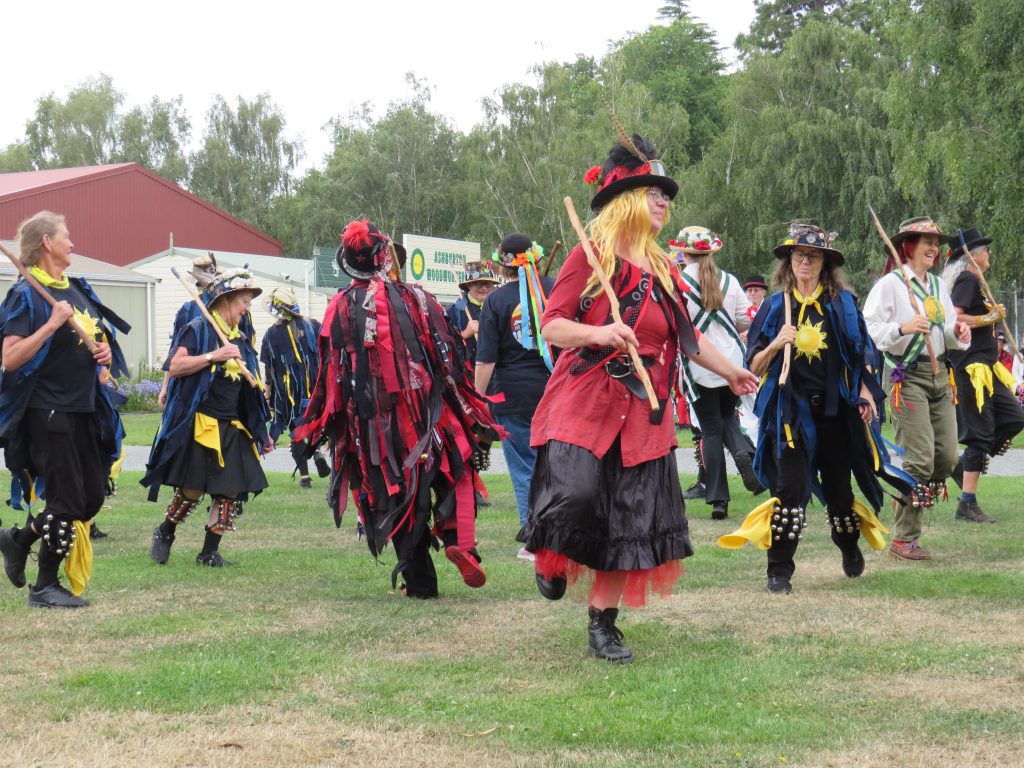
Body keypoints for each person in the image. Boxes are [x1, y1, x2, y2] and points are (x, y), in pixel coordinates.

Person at [518, 134, 758, 663]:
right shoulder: (590, 256)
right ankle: (549, 555)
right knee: (576, 495)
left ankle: (603, 625)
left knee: (628, 520)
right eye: (653, 192)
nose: (664, 202)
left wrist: (734, 370)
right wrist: (600, 334)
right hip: (586, 397)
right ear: (625, 198)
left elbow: (689, 341)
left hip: (646, 411)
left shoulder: (668, 270)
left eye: (667, 196)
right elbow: (553, 326)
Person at [295, 220, 501, 599]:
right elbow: (447, 355)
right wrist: (459, 399)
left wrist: (329, 418)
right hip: (426, 406)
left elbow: (330, 371)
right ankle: (460, 540)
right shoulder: (417, 297)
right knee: (451, 465)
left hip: (373, 418)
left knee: (393, 491)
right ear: (383, 258)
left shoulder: (338, 306)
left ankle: (421, 584)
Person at [721, 222, 914, 593]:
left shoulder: (841, 304)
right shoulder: (776, 307)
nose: (805, 261)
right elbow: (754, 367)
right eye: (798, 255)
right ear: (789, 262)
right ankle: (779, 570)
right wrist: (777, 343)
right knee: (789, 491)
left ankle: (848, 546)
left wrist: (866, 394)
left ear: (825, 263)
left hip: (836, 414)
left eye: (813, 256)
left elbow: (862, 356)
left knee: (840, 494)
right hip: (791, 416)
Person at [0, 211, 129, 608]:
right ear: (46, 243)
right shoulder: (27, 294)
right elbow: (10, 359)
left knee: (90, 498)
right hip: (48, 411)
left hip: (84, 408)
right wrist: (51, 324)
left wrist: (103, 354)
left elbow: (91, 345)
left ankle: (18, 540)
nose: (72, 243)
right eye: (66, 237)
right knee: (66, 500)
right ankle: (44, 587)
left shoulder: (74, 289)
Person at [143, 269, 272, 567]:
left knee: (229, 490)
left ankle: (208, 553)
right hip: (200, 421)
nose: (246, 309)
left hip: (232, 425)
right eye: (244, 302)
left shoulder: (240, 341)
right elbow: (175, 366)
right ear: (226, 300)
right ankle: (165, 532)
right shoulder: (198, 328)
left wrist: (261, 431)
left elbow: (247, 396)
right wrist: (214, 356)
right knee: (191, 489)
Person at [861, 217, 971, 557]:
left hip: (941, 376)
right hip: (904, 378)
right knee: (920, 460)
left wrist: (959, 334)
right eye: (926, 241)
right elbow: (871, 328)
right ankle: (904, 538)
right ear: (908, 246)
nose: (934, 248)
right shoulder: (890, 285)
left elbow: (949, 328)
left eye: (936, 243)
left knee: (949, 457)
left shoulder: (938, 286)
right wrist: (903, 328)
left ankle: (905, 496)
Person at [671, 226, 761, 519]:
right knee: (727, 418)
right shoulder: (730, 281)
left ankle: (718, 498)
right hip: (731, 363)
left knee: (710, 429)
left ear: (684, 252)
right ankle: (744, 454)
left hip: (699, 365)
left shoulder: (677, 282)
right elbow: (746, 320)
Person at [475, 234, 556, 559]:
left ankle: (536, 541)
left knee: (525, 467)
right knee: (557, 465)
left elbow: (485, 360)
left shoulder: (496, 301)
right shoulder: (558, 289)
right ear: (535, 257)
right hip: (558, 390)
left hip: (513, 395)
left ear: (502, 265)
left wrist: (475, 399)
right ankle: (559, 533)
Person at [943, 227, 1024, 523]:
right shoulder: (966, 279)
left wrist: (993, 314)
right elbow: (955, 316)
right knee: (979, 434)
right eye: (984, 249)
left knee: (1015, 418)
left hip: (988, 368)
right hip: (972, 368)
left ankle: (965, 464)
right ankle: (967, 503)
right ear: (972, 256)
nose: (989, 253)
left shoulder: (977, 282)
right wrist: (987, 318)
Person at [445, 261, 502, 507]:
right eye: (479, 284)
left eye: (488, 283)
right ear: (468, 286)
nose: (484, 287)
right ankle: (471, 489)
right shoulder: (455, 311)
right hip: (465, 381)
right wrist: (464, 334)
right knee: (467, 433)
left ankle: (475, 475)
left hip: (495, 379)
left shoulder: (497, 307)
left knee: (488, 431)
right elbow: (443, 344)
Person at [260, 287, 323, 488]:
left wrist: (268, 398)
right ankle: (318, 451)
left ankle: (305, 478)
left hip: (287, 396)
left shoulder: (271, 334)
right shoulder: (313, 326)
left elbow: (269, 371)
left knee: (295, 432)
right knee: (316, 424)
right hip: (315, 390)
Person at [158, 253, 221, 410]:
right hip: (188, 386)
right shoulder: (187, 310)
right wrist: (165, 387)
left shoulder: (223, 308)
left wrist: (165, 387)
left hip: (216, 387)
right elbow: (175, 352)